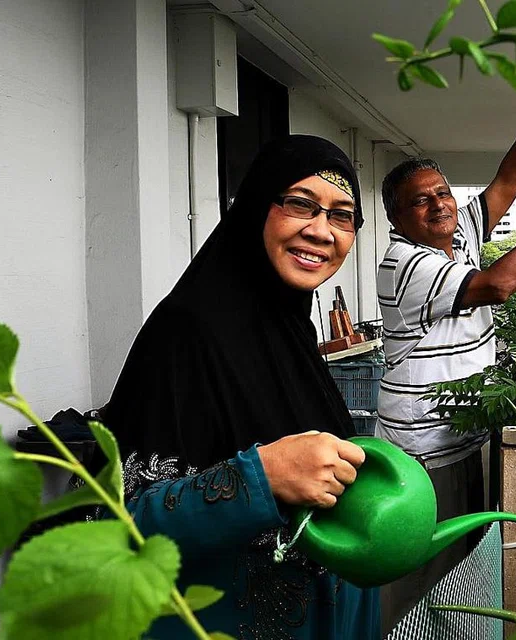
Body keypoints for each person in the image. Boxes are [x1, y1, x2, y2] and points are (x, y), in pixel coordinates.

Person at [97, 136, 379, 639]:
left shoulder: (291, 335)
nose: (320, 230)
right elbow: (109, 528)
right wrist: (260, 478)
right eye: (300, 204)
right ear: (255, 208)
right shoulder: (187, 331)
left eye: (342, 215)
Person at [375, 63, 516, 630]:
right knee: (423, 567)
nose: (440, 204)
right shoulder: (405, 262)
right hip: (422, 445)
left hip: (460, 431)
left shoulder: (457, 237)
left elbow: (511, 177)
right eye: (421, 201)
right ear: (397, 218)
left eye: (442, 192)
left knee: (464, 562)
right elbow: (498, 284)